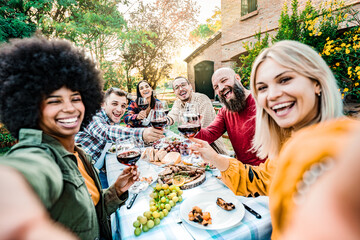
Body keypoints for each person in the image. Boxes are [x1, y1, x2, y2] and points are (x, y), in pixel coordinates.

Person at [0, 37, 139, 240]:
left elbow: (90, 214)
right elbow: (24, 174)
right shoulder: (40, 154)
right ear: (31, 108)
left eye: (75, 98)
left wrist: (116, 191)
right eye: (55, 101)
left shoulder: (79, 154)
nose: (69, 108)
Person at [191, 40, 343, 197]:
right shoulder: (227, 111)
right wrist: (194, 130)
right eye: (263, 88)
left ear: (316, 82)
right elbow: (267, 179)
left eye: (284, 79)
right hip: (253, 179)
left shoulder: (342, 146)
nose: (272, 95)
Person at [270, 118, 360, 239]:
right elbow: (263, 177)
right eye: (258, 97)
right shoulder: (288, 147)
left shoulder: (345, 146)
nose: (272, 97)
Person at [75, 87, 164, 188]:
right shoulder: (91, 116)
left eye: (123, 106)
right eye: (114, 104)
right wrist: (142, 134)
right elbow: (105, 132)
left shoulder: (109, 119)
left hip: (97, 170)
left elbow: (113, 135)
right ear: (103, 104)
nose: (119, 109)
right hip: (80, 175)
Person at [194, 67, 264, 165]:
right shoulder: (224, 112)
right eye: (216, 87)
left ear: (237, 78)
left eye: (224, 80)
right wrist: (194, 127)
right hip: (243, 171)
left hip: (272, 172)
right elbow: (208, 135)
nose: (221, 88)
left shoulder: (262, 102)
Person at [166, 76, 228, 155]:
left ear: (190, 86)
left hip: (212, 150)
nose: (181, 89)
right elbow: (173, 114)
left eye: (183, 85)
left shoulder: (202, 99)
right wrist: (166, 120)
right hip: (189, 148)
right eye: (177, 87)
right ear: (174, 92)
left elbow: (206, 131)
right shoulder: (178, 102)